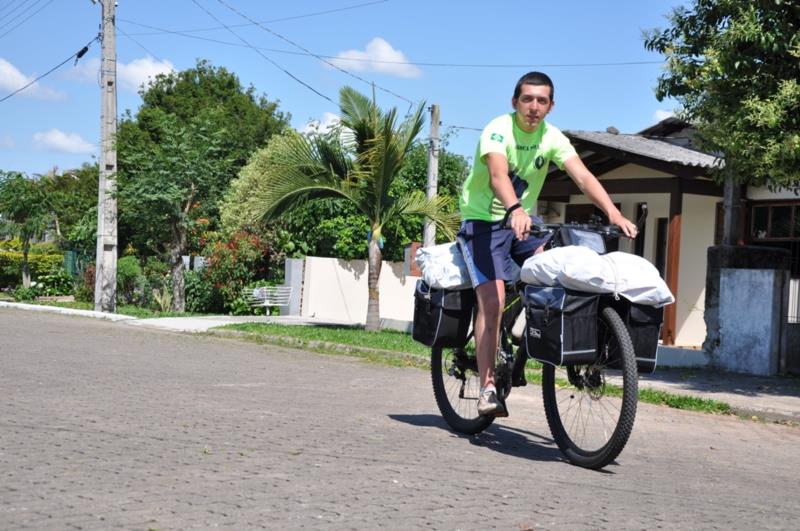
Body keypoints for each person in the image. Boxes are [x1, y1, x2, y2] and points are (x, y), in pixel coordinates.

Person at [457, 71, 638, 417]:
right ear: (515, 102)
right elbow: (497, 177)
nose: (534, 107)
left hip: (523, 223)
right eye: (527, 99)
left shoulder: (552, 137)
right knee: (492, 302)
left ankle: (528, 343)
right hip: (483, 222)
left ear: (551, 106)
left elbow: (583, 176)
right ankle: (487, 387)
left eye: (542, 101)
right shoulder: (498, 130)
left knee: (557, 272)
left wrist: (614, 213)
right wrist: (514, 209)